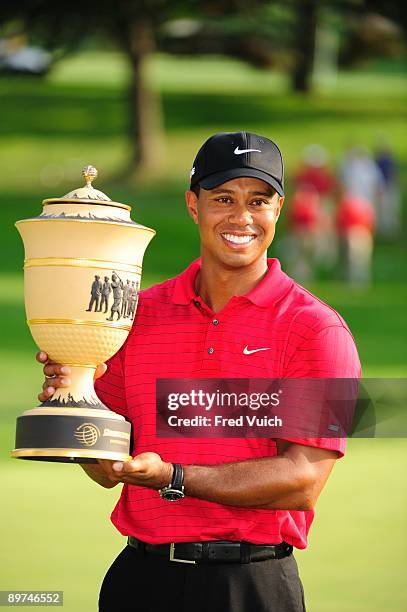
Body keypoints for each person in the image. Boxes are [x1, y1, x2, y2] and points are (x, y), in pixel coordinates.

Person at [37, 132, 361, 612]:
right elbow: (106, 469)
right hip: (140, 580)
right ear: (193, 204)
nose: (241, 218)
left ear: (279, 209)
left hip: (250, 585)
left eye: (259, 201)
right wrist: (74, 398)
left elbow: (303, 482)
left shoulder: (320, 330)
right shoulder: (133, 315)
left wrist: (172, 476)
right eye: (223, 199)